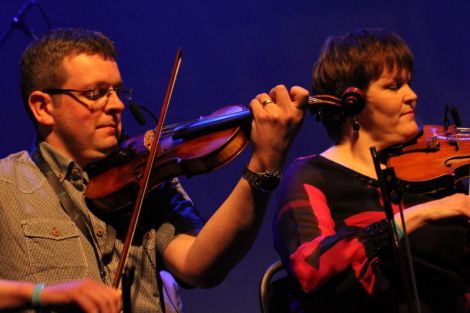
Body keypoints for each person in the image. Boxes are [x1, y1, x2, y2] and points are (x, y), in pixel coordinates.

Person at [0, 28, 306, 312]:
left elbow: (200, 264)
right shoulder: (6, 185)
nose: (117, 105)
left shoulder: (148, 178)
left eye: (117, 91)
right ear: (43, 107)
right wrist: (47, 294)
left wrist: (264, 162)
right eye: (96, 93)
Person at [273, 28, 469, 313]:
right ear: (353, 100)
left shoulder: (435, 173)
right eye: (394, 86)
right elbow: (310, 269)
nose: (412, 96)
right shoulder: (311, 176)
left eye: (409, 84)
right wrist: (426, 212)